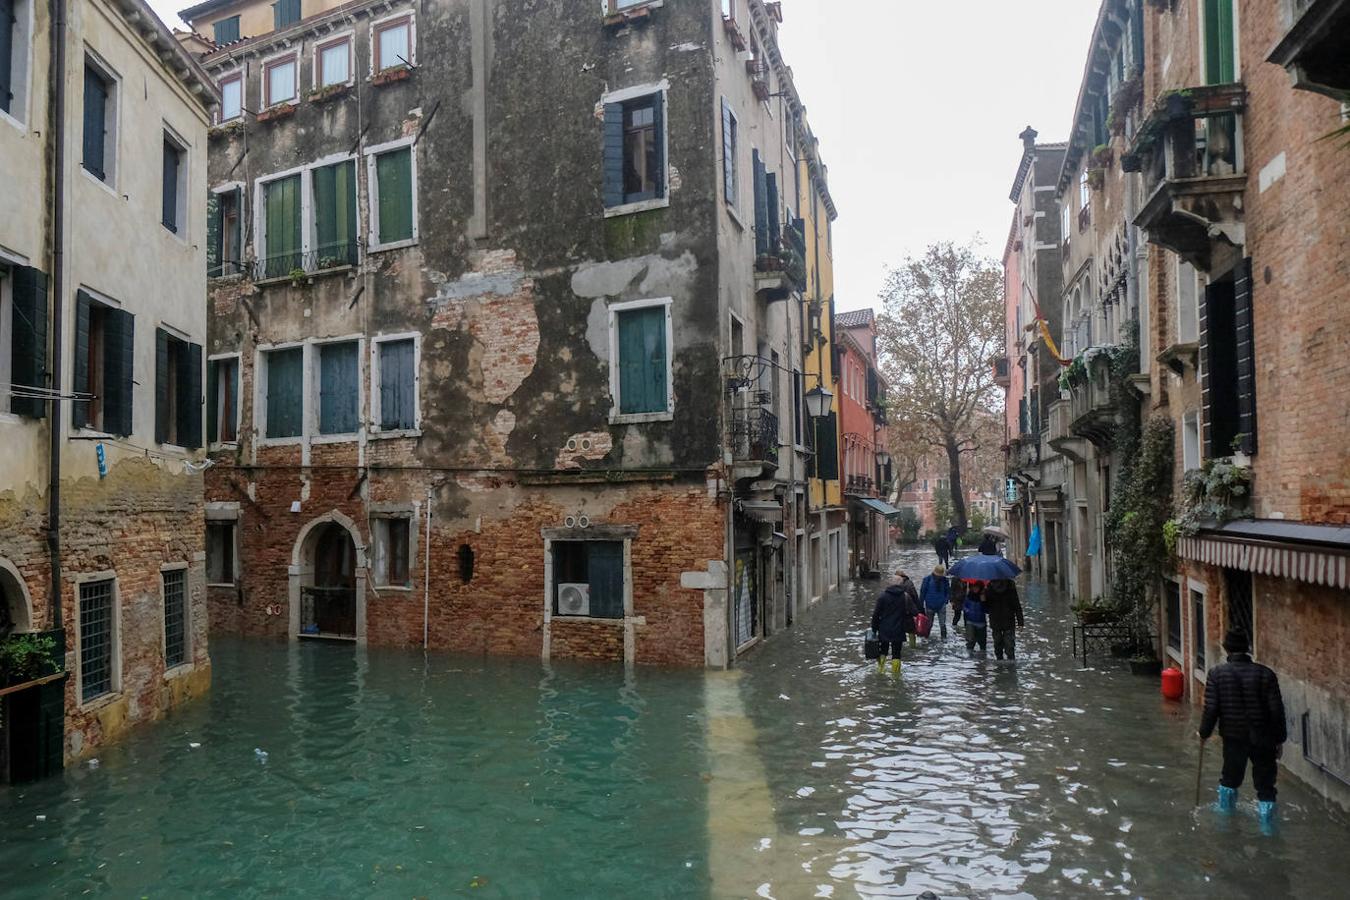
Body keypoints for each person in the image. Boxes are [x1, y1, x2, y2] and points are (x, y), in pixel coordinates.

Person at [1199, 629, 1287, 826]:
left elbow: (1211, 708)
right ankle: (1268, 828)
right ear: (1248, 648)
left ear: (1226, 649)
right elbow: (1277, 711)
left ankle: (1226, 822)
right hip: (1263, 738)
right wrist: (1280, 740)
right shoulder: (1266, 674)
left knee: (1229, 779)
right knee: (1266, 786)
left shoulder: (1217, 674)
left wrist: (1204, 733)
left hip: (1233, 738)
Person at [871, 571, 920, 674]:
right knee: (896, 653)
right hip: (899, 628)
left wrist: (874, 629)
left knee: (883, 650)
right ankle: (896, 674)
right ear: (901, 584)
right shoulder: (905, 597)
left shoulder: (882, 596)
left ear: (890, 583)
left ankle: (880, 670)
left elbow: (876, 615)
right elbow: (915, 612)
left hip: (884, 628)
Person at [983, 579, 1024, 660]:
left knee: (1001, 646)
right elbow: (1017, 605)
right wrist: (1020, 622)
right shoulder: (990, 588)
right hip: (1002, 621)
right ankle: (1009, 667)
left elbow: (986, 609)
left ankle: (1002, 667)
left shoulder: (990, 587)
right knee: (1006, 646)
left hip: (1001, 621)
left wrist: (1020, 622)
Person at [919, 566, 951, 639]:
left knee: (942, 624)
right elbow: (922, 592)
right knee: (929, 624)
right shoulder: (927, 579)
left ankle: (944, 639)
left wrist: (945, 600)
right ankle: (926, 638)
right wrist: (920, 605)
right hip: (930, 605)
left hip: (941, 605)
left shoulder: (945, 580)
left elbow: (948, 591)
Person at [958, 581, 987, 655]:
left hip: (981, 622)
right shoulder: (969, 596)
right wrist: (968, 611)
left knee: (982, 642)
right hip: (970, 621)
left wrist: (984, 602)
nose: (975, 589)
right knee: (970, 641)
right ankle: (969, 658)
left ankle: (982, 657)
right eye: (974, 587)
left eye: (977, 587)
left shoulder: (983, 597)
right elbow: (964, 606)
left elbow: (987, 610)